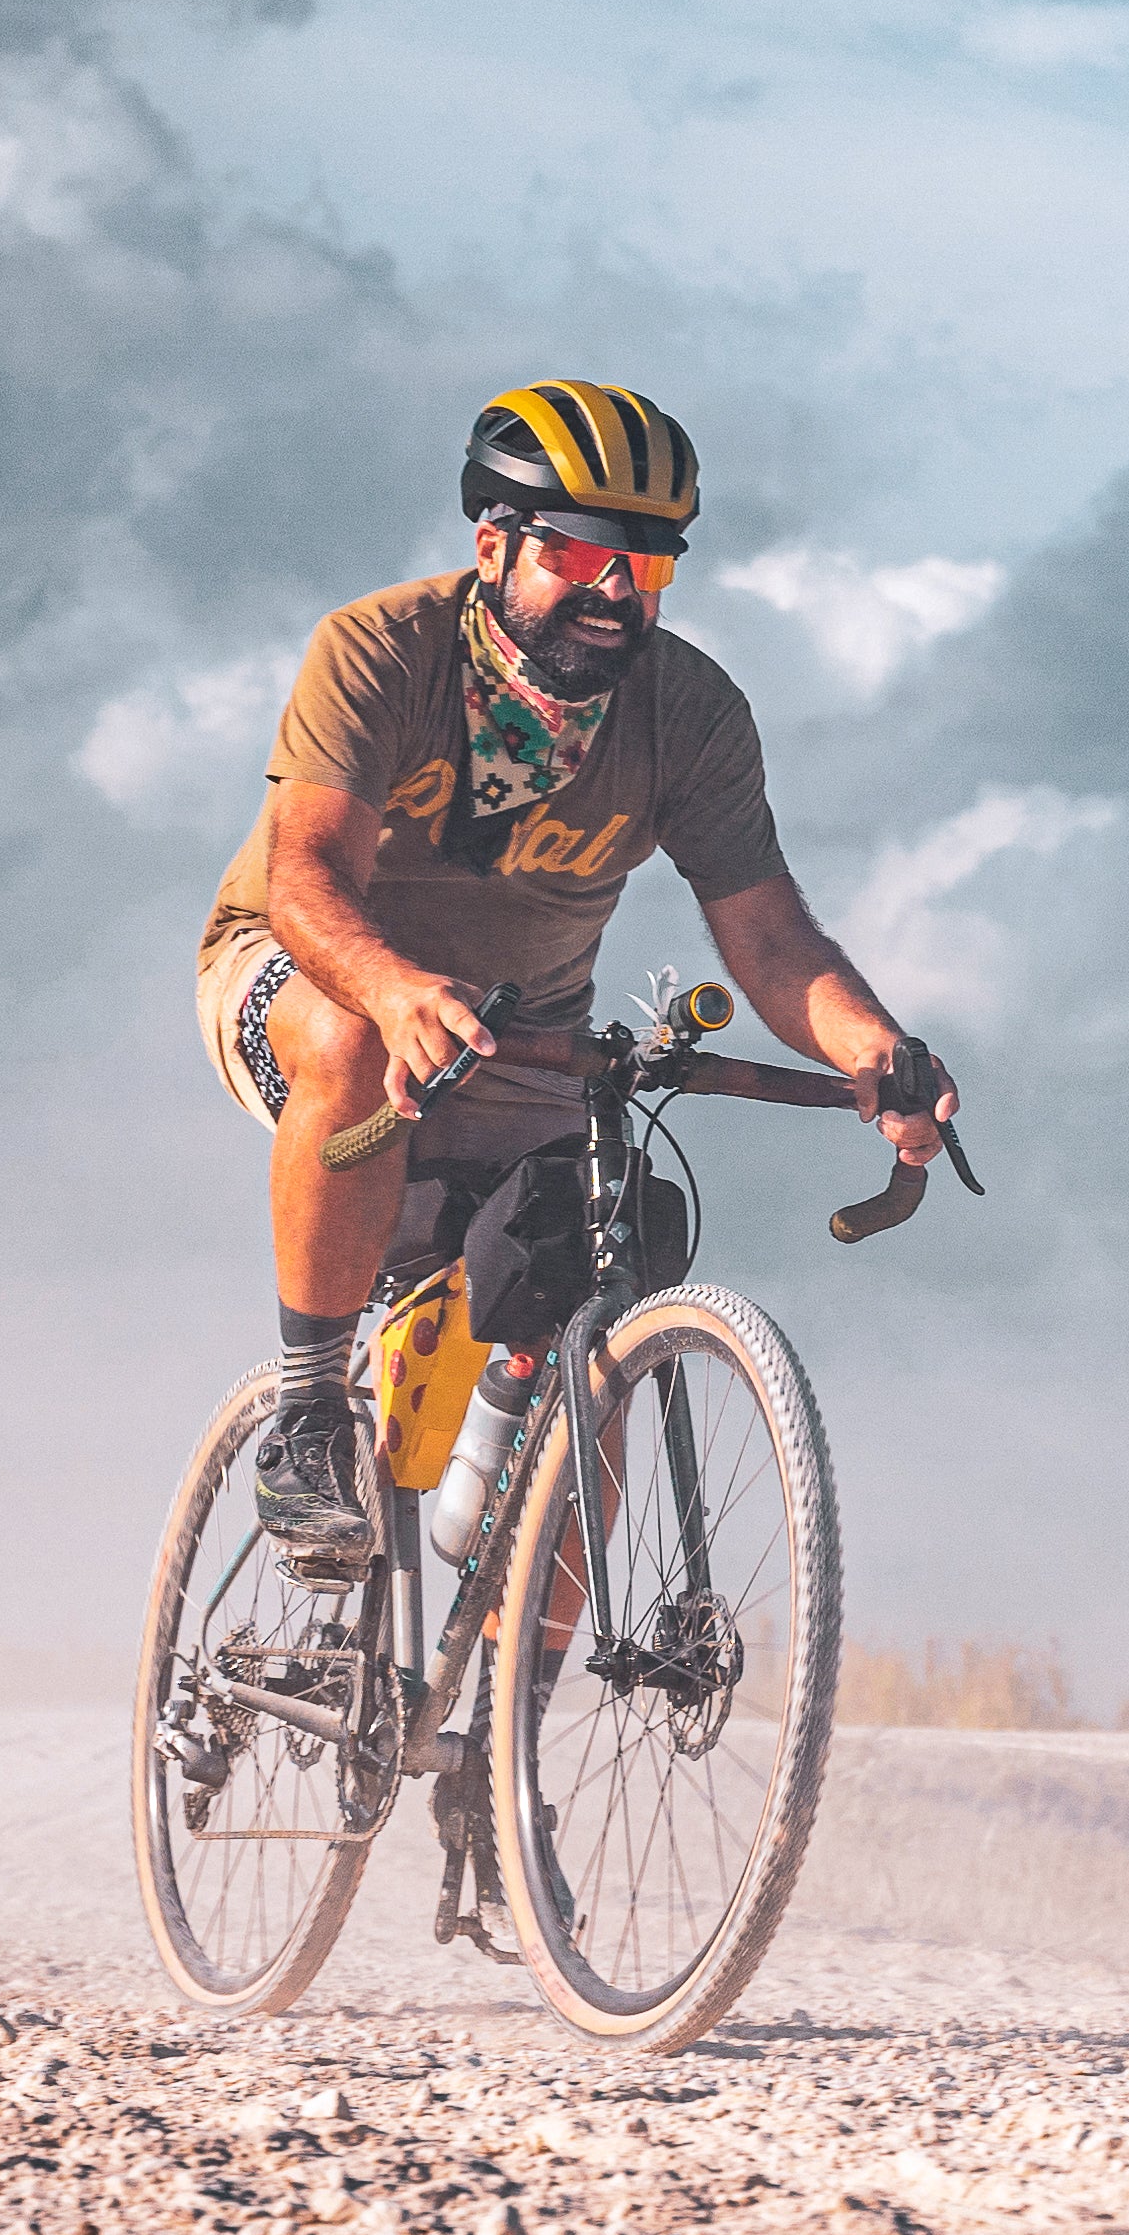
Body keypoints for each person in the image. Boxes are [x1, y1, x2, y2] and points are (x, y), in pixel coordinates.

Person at [194, 378, 954, 1564]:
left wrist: (875, 1053)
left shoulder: (691, 713)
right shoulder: (379, 651)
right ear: (493, 542)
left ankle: (508, 1727)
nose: (612, 591)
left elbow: (767, 935)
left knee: (585, 1337)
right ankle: (306, 1421)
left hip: (529, 1035)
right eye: (582, 553)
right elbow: (305, 883)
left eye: (645, 566)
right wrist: (394, 989)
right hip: (307, 979)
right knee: (346, 1039)